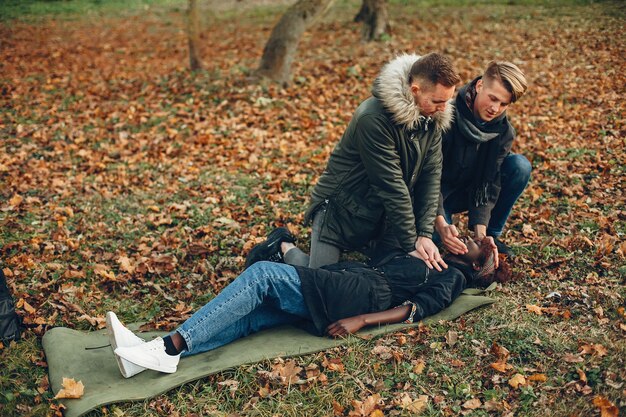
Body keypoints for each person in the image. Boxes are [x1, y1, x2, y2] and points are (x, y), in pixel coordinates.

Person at [107, 232, 509, 377]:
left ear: (475, 262)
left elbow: (421, 308)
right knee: (256, 315)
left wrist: (361, 320)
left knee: (264, 274)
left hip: (359, 297)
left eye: (476, 243)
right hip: (350, 283)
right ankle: (144, 358)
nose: (470, 237)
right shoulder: (434, 255)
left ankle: (168, 347)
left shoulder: (452, 276)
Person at [262, 53, 460, 272]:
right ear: (415, 90)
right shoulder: (372, 119)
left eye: (448, 101)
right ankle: (284, 246)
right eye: (438, 101)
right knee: (322, 279)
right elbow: (391, 184)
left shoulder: (431, 118)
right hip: (340, 210)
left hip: (380, 213)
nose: (444, 108)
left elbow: (431, 176)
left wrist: (423, 234)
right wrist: (410, 242)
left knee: (384, 274)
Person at [434, 61, 531, 258]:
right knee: (437, 241)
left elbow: (488, 183)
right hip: (432, 193)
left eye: (504, 104)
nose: (495, 109)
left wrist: (481, 237)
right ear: (479, 86)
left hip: (466, 192)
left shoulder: (503, 132)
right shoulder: (444, 117)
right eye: (493, 98)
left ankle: (492, 236)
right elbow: (425, 176)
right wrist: (440, 222)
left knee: (520, 166)